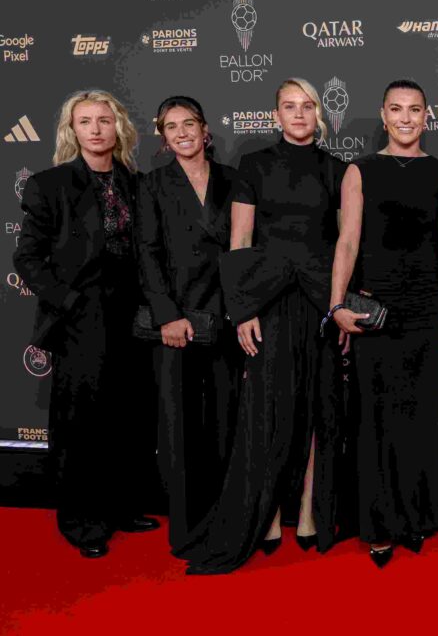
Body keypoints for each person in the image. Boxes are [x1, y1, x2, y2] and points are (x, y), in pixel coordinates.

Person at [179, 78, 351, 574]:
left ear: (319, 113)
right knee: (269, 408)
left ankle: (309, 511)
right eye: (288, 106)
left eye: (307, 106)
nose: (298, 115)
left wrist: (339, 306)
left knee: (321, 407)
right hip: (269, 302)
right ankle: (270, 513)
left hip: (319, 301)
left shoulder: (338, 169)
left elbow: (344, 244)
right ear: (275, 114)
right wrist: (243, 308)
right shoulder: (254, 164)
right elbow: (240, 240)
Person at [13, 90, 159, 559]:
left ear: (119, 128)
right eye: (85, 121)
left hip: (133, 314)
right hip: (81, 315)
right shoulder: (48, 185)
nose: (95, 129)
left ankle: (119, 508)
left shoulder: (138, 183)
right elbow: (28, 258)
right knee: (82, 423)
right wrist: (71, 302)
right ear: (71, 130)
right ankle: (80, 521)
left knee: (127, 417)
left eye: (104, 120)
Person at [329, 80, 438, 567]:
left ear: (427, 116)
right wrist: (336, 305)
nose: (406, 118)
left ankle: (413, 518)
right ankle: (379, 526)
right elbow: (346, 241)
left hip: (427, 308)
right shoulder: (360, 170)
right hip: (375, 307)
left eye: (415, 110)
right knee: (376, 420)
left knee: (420, 417)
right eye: (396, 110)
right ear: (382, 116)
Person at [135, 96, 241, 554]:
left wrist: (241, 310)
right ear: (163, 137)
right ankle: (186, 530)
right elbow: (147, 254)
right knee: (178, 431)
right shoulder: (153, 185)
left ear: (205, 130)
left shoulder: (233, 180)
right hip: (177, 322)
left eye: (189, 123)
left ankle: (223, 521)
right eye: (171, 126)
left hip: (225, 319)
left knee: (223, 422)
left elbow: (245, 252)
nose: (182, 132)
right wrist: (168, 316)